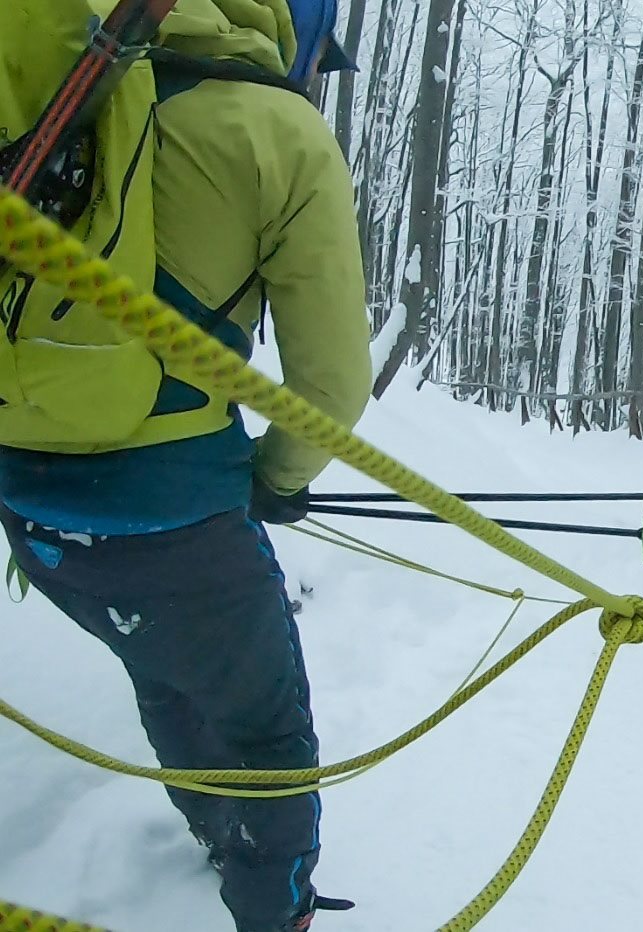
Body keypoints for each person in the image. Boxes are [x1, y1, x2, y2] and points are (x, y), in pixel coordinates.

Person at [0, 3, 369, 930]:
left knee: (159, 666)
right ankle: (270, 905)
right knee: (267, 731)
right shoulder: (279, 128)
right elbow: (329, 385)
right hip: (178, 519)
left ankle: (211, 825)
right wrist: (278, 481)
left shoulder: (56, 84)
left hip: (30, 509)